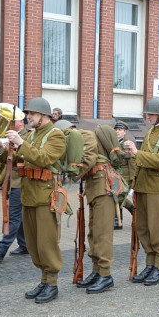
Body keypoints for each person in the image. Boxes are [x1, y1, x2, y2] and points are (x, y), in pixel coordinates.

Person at [1, 97, 66, 303]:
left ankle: (52, 283)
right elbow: (19, 159)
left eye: (32, 114)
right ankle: (44, 280)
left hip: (46, 196)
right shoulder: (31, 136)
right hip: (29, 195)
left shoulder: (56, 135)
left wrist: (21, 143)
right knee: (33, 243)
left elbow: (45, 159)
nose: (28, 117)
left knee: (46, 243)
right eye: (28, 114)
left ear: (44, 116)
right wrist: (4, 148)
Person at [124, 98, 159, 286]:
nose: (147, 117)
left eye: (150, 114)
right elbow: (141, 162)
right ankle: (149, 264)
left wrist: (137, 153)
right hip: (142, 186)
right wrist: (133, 186)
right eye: (147, 114)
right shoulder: (151, 132)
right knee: (143, 228)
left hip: (156, 187)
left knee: (157, 229)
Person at [57, 120, 116, 294]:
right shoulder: (78, 137)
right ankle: (97, 271)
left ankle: (105, 275)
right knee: (93, 232)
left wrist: (72, 177)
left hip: (103, 185)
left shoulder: (86, 135)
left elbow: (89, 159)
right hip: (94, 186)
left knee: (102, 233)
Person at [0, 116, 28, 261]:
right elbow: (4, 161)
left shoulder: (27, 137)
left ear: (21, 123)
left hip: (20, 182)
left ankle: (2, 248)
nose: (10, 125)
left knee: (13, 216)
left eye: (13, 121)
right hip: (10, 180)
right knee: (19, 217)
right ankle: (25, 245)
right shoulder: (9, 137)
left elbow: (23, 158)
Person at [114, 121, 136, 230]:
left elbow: (132, 161)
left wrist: (133, 178)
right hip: (115, 173)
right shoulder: (113, 142)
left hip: (125, 173)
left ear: (125, 132)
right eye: (116, 130)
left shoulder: (127, 144)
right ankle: (118, 220)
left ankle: (121, 218)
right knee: (116, 195)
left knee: (121, 196)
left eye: (120, 130)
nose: (117, 132)